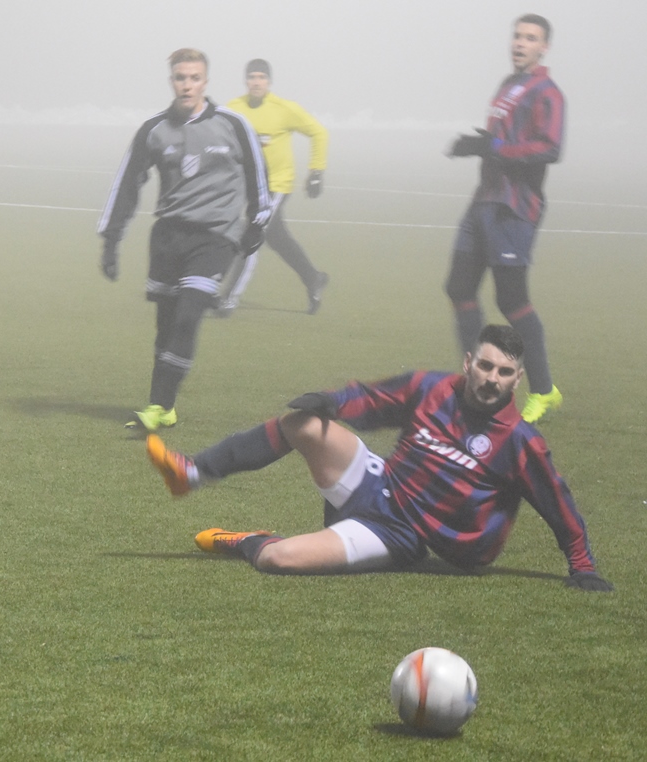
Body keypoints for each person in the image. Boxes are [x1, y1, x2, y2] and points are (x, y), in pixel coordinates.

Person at [145, 324, 612, 592]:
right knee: (305, 422)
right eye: (486, 366)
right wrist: (332, 402)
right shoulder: (431, 387)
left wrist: (583, 565)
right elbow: (373, 399)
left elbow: (557, 502)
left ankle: (248, 539)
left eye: (505, 372)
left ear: (517, 380)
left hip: (398, 535)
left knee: (279, 559)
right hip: (378, 484)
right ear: (469, 362)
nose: (492, 378)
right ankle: (194, 472)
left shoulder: (520, 441)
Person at [98, 48, 271, 432]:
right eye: (180, 78)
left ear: (205, 82)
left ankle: (157, 406)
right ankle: (166, 407)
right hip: (168, 237)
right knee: (167, 323)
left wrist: (257, 223)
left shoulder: (233, 124)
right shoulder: (154, 130)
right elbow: (127, 184)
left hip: (216, 236)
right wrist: (111, 240)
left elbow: (258, 174)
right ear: (172, 82)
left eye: (194, 78)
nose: (187, 85)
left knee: (190, 313)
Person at [445, 14, 563, 423]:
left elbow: (549, 148)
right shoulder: (508, 85)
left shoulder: (548, 92)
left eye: (530, 38)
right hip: (484, 200)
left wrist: (493, 146)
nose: (520, 43)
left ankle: (544, 390)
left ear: (544, 47)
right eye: (517, 36)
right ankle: (475, 382)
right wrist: (477, 145)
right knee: (459, 287)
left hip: (514, 207)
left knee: (511, 299)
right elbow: (500, 140)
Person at [218, 58, 329, 316]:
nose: (256, 82)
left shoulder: (283, 109)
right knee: (278, 239)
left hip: (276, 186)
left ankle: (228, 299)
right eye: (252, 77)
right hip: (247, 186)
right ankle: (313, 278)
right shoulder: (234, 109)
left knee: (252, 235)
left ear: (269, 81)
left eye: (261, 77)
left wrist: (316, 172)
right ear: (245, 81)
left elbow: (319, 133)